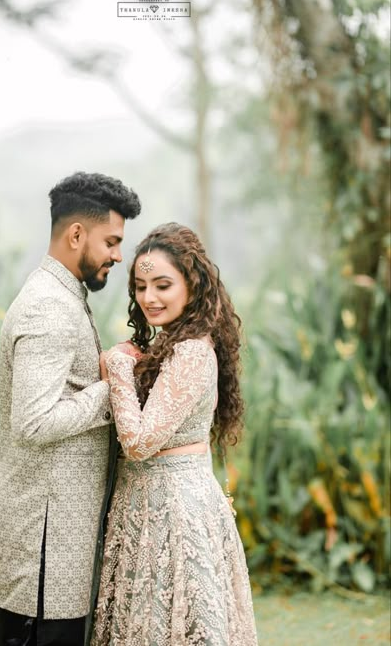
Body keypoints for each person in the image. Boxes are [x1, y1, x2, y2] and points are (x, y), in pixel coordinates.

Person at [0, 172, 141, 646]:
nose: (118, 255)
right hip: (43, 547)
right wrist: (114, 383)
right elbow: (34, 422)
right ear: (77, 234)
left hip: (57, 543)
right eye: (112, 241)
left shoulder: (63, 295)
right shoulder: (48, 307)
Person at [91, 222, 258, 646]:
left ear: (192, 284)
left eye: (163, 285)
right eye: (141, 286)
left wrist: (120, 369)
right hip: (146, 506)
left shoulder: (190, 351)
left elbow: (140, 442)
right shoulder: (173, 344)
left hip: (174, 511)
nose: (149, 298)